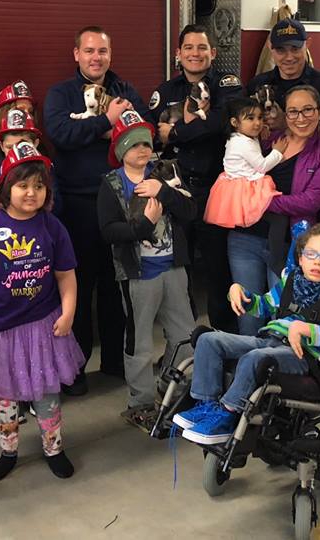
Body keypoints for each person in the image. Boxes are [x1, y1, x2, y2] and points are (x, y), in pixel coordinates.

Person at [172, 220, 320, 445]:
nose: (317, 262)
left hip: (301, 356)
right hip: (268, 339)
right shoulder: (290, 282)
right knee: (208, 340)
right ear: (300, 258)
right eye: (311, 254)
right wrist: (240, 293)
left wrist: (306, 329)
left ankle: (227, 413)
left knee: (255, 359)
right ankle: (205, 405)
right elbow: (264, 305)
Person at [0, 141, 84, 481]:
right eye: (23, 185)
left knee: (47, 395)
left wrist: (68, 312)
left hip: (43, 327)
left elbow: (66, 275)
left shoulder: (52, 227)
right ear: (5, 188)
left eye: (39, 186)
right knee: (4, 401)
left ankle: (53, 447)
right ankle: (8, 450)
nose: (31, 192)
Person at [43, 26, 149, 395]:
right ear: (76, 54)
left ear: (110, 55)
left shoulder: (126, 91)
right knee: (78, 286)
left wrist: (108, 129)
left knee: (116, 284)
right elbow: (59, 134)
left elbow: (141, 133)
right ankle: (74, 369)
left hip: (122, 203)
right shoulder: (60, 94)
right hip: (78, 204)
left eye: (102, 51)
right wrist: (106, 124)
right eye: (89, 51)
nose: (96, 58)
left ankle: (115, 362)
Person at [97, 111, 197, 431]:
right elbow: (108, 231)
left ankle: (171, 385)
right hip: (139, 275)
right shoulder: (112, 184)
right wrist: (143, 226)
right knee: (139, 340)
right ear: (121, 149)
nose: (142, 149)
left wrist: (163, 190)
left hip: (173, 268)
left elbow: (191, 210)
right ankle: (140, 400)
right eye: (134, 144)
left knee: (184, 335)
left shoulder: (167, 171)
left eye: (146, 143)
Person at [217, 88, 320, 326]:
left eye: (308, 110)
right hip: (245, 237)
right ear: (284, 114)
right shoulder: (264, 140)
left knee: (283, 317)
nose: (301, 118)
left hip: (288, 244)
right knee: (247, 315)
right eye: (293, 111)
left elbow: (310, 202)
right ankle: (249, 363)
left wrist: (258, 202)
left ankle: (275, 363)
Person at [147, 24, 241, 333]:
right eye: (188, 48)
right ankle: (182, 342)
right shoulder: (165, 91)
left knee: (218, 272)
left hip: (216, 192)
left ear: (213, 53)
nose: (195, 53)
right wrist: (179, 134)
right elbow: (153, 138)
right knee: (178, 271)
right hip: (177, 192)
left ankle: (224, 340)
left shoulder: (227, 84)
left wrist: (176, 132)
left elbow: (221, 122)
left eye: (202, 48)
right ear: (178, 54)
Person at [246, 18, 320, 151]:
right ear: (269, 47)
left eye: (295, 49)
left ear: (308, 44)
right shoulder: (257, 85)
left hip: (310, 168)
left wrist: (288, 124)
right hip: (263, 165)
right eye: (281, 50)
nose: (289, 57)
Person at [204, 96, 287, 230]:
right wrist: (277, 152)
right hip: (243, 187)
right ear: (235, 122)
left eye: (260, 118)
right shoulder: (243, 143)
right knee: (277, 219)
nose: (257, 123)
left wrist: (262, 130)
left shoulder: (240, 136)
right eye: (250, 118)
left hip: (236, 182)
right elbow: (262, 166)